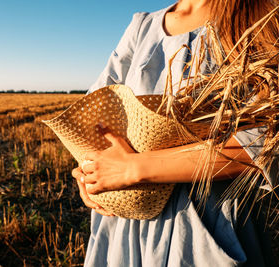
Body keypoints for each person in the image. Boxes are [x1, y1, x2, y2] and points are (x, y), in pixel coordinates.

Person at [71, 0, 279, 266]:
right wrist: (87, 169)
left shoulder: (261, 14)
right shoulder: (142, 26)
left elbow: (264, 139)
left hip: (205, 228)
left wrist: (135, 168)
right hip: (123, 224)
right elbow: (93, 109)